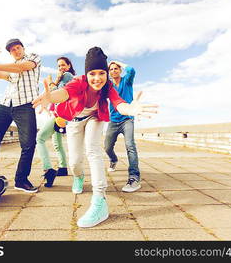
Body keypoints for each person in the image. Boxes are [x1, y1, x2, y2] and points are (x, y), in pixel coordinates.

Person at [32, 47, 157, 228]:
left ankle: (100, 200)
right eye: (92, 73)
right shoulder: (78, 82)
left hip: (95, 118)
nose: (97, 78)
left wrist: (129, 109)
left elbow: (119, 103)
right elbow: (64, 93)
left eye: (101, 73)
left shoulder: (107, 86)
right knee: (75, 161)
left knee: (93, 150)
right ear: (86, 74)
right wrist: (51, 97)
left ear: (106, 73)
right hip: (75, 119)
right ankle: (79, 176)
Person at [0, 38, 41, 193]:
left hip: (25, 105)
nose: (16, 51)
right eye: (13, 50)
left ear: (23, 48)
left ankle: (21, 180)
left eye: (18, 47)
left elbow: (22, 67)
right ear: (10, 53)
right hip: (5, 105)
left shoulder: (33, 57)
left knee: (28, 144)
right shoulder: (11, 69)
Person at [36, 57, 76, 187]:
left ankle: (48, 169)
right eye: (59, 66)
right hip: (58, 114)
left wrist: (53, 82)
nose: (61, 68)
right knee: (57, 143)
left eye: (63, 65)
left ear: (69, 66)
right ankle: (63, 167)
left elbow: (61, 93)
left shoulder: (67, 75)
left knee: (40, 138)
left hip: (62, 114)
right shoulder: (63, 77)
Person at [104, 61, 142, 192]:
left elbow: (132, 70)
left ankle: (134, 177)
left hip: (127, 119)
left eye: (116, 69)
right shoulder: (108, 85)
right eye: (111, 69)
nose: (114, 70)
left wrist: (117, 62)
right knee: (107, 147)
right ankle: (113, 160)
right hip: (113, 120)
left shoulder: (127, 81)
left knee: (130, 145)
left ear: (120, 70)